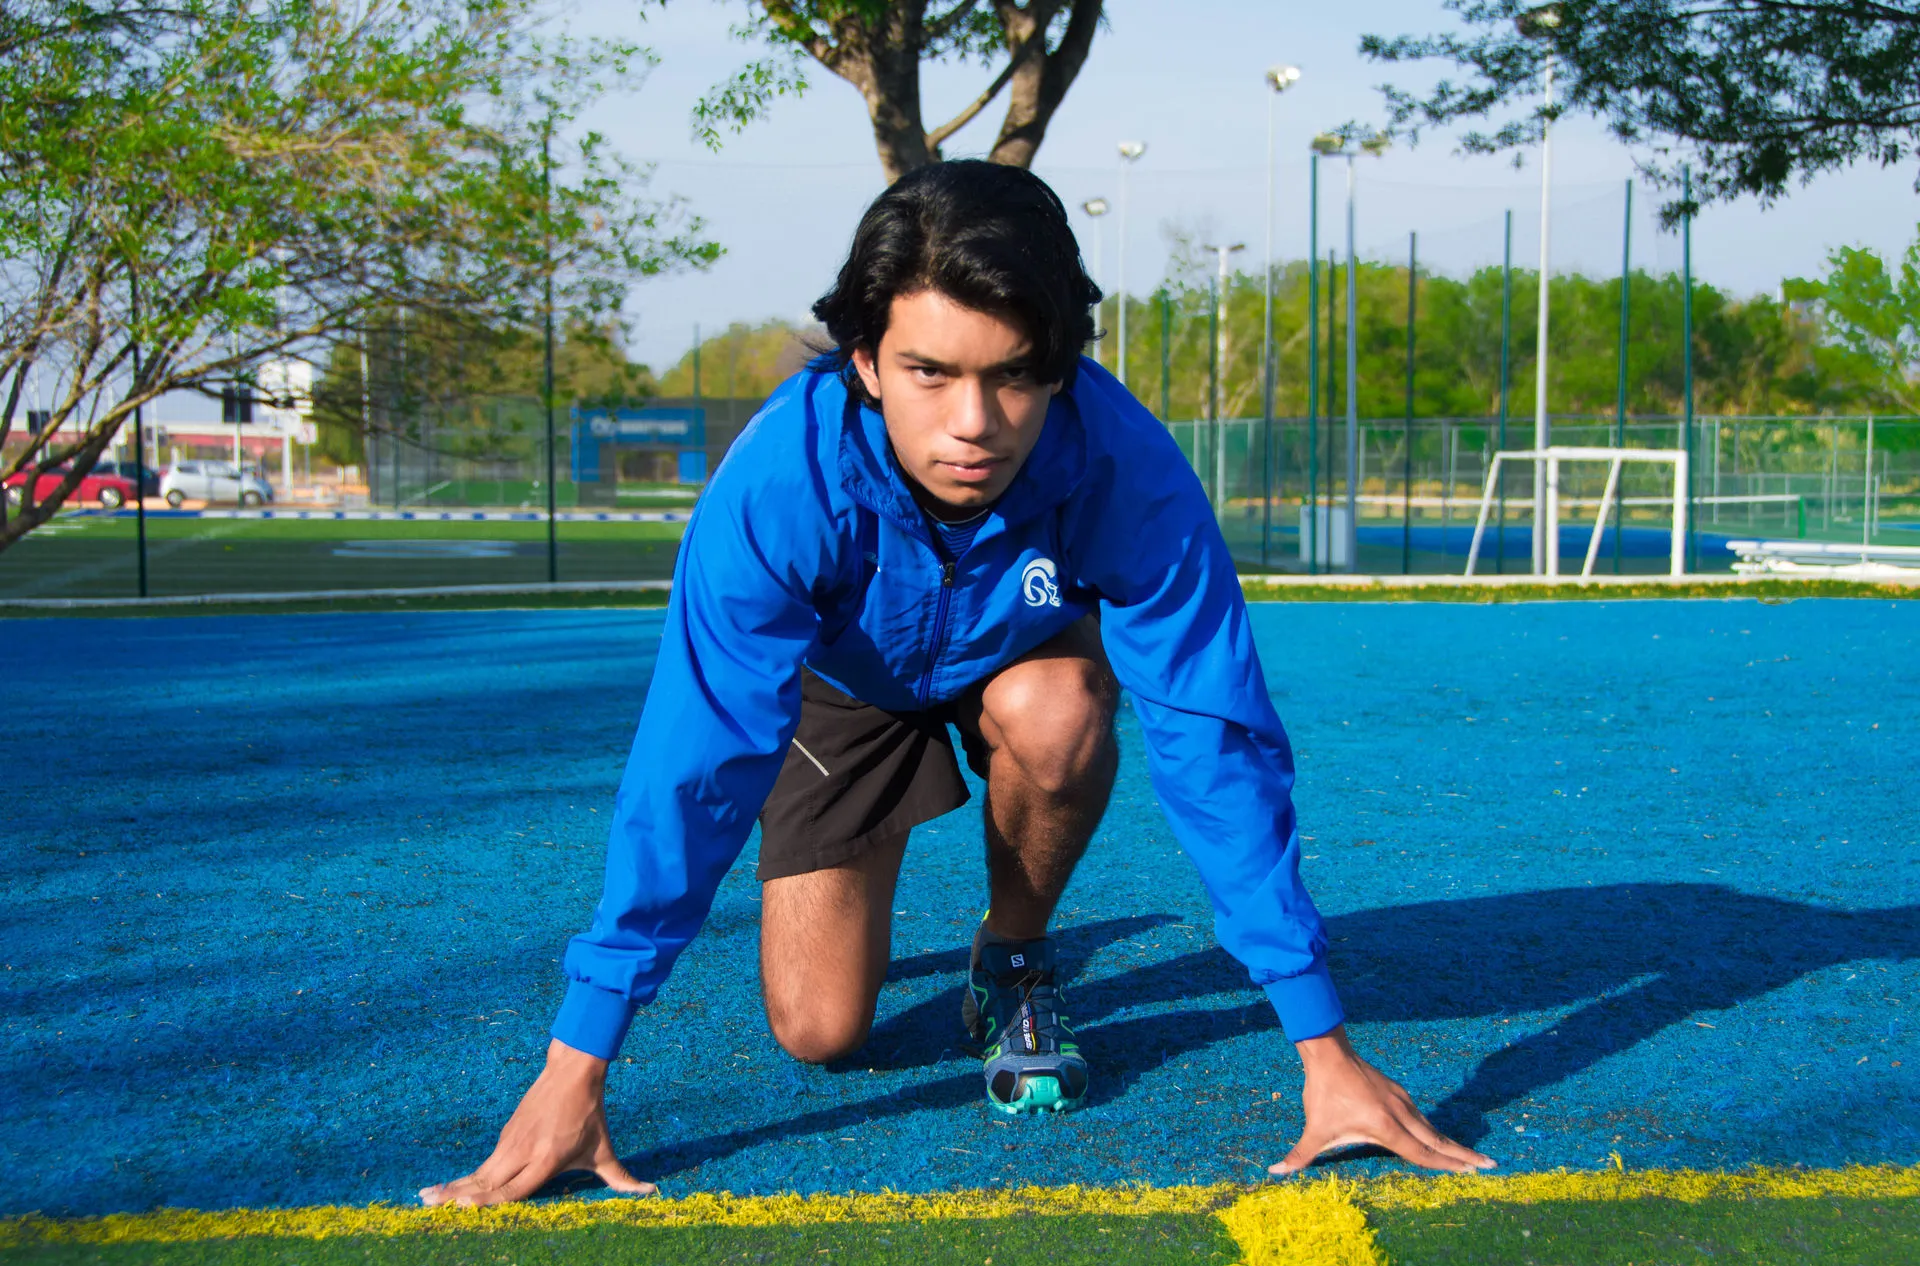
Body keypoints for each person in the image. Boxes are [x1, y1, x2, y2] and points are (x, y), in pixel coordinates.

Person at [421, 160, 1493, 1207]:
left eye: (1014, 373)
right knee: (821, 1031)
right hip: (846, 682)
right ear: (867, 361)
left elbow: (1214, 732)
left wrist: (1323, 1043)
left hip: (1020, 648)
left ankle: (1014, 951)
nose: (974, 421)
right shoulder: (777, 486)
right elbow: (693, 765)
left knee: (1064, 712)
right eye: (931, 371)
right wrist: (579, 1064)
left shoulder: (1127, 467)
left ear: (1060, 365)